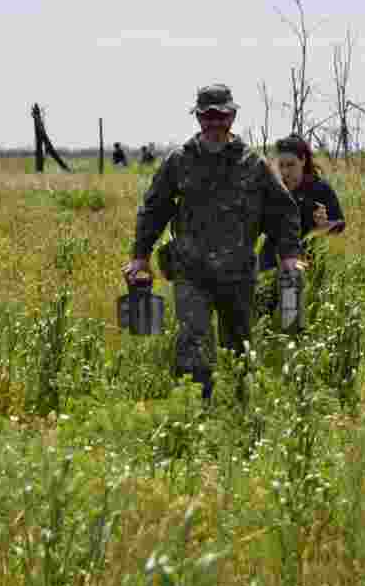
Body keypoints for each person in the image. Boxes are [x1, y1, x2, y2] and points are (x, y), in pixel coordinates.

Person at [122, 84, 304, 403]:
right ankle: (194, 412)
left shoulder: (253, 163)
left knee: (239, 349)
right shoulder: (179, 161)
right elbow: (154, 208)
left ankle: (239, 413)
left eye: (221, 115)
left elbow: (284, 210)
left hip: (238, 275)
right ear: (198, 117)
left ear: (232, 116)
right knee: (193, 340)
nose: (215, 122)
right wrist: (140, 257)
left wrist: (289, 255)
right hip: (192, 272)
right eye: (208, 116)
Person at [255, 134, 346, 318]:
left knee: (292, 315)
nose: (285, 171)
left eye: (291, 165)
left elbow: (339, 223)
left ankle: (291, 341)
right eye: (281, 165)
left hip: (304, 259)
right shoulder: (274, 188)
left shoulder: (319, 188)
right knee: (260, 310)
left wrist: (325, 225)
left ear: (303, 160)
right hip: (270, 257)